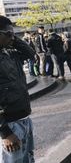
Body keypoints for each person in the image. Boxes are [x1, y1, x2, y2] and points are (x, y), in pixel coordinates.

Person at [0, 15, 35, 162]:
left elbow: (30, 54)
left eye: (13, 33)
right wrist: (5, 133)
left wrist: (13, 37)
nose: (11, 37)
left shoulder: (10, 53)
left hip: (24, 119)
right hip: (9, 125)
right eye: (8, 34)